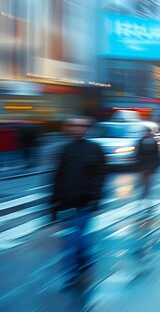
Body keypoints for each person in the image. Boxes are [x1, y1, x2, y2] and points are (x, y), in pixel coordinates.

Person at [50, 117, 106, 282]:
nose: (77, 128)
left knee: (74, 237)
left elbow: (100, 174)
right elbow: (58, 176)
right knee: (75, 237)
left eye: (82, 126)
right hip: (66, 201)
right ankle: (84, 260)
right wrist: (53, 203)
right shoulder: (65, 149)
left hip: (85, 201)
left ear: (87, 129)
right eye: (74, 125)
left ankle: (72, 271)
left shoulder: (94, 148)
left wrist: (95, 196)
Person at [137, 128, 160, 199]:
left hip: (147, 162)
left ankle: (145, 189)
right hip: (148, 161)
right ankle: (146, 189)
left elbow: (139, 152)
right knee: (146, 176)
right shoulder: (153, 141)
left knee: (146, 176)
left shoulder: (142, 141)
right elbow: (157, 153)